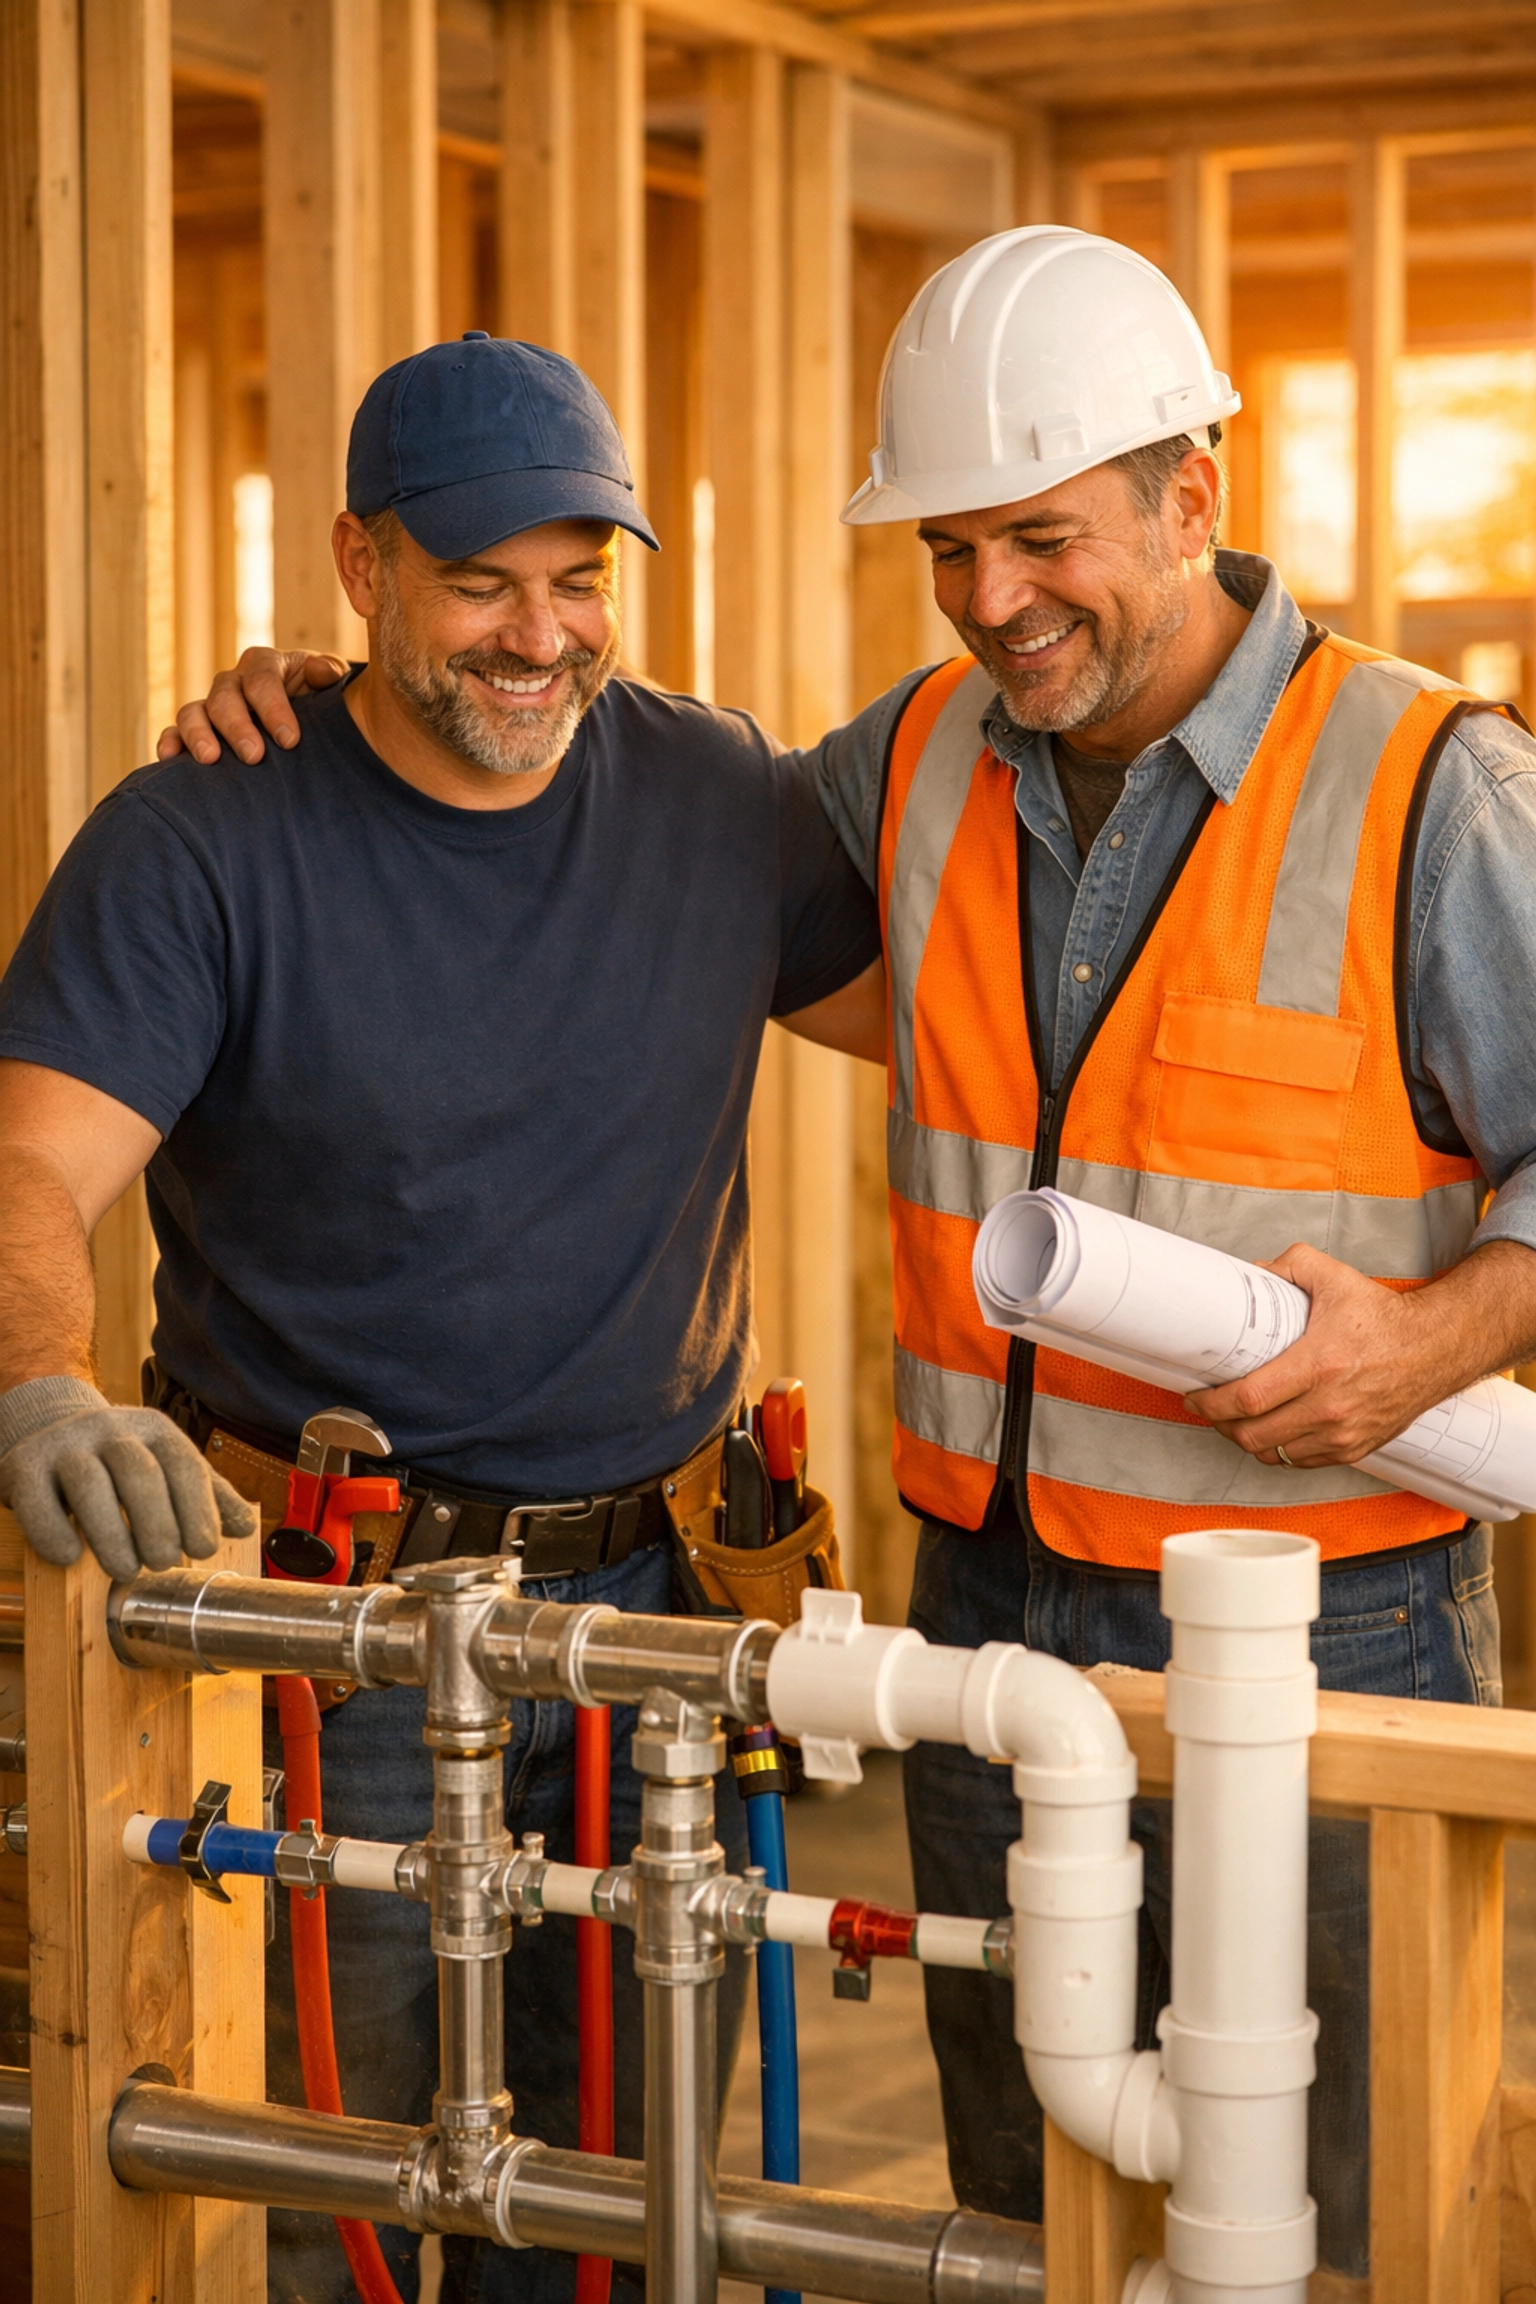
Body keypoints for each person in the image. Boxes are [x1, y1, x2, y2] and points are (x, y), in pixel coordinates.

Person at [178, 231, 1536, 2286]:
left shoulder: (1430, 786)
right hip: (994, 1613)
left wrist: (1438, 1336)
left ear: (1195, 494)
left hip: (1331, 1626)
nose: (994, 601)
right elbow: (565, 798)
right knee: (1031, 2206)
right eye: (951, 549)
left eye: (1044, 537)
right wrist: (328, 694)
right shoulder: (906, 767)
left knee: (1328, 2212)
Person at [0, 333, 885, 2304]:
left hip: (662, 1609)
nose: (537, 634)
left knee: (642, 2209)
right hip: (337, 1638)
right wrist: (35, 1388)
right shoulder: (209, 831)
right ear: (360, 567)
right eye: (482, 579)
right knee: (346, 2198)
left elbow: (970, 1021)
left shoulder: (720, 796)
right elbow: (29, 1165)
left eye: (580, 578)